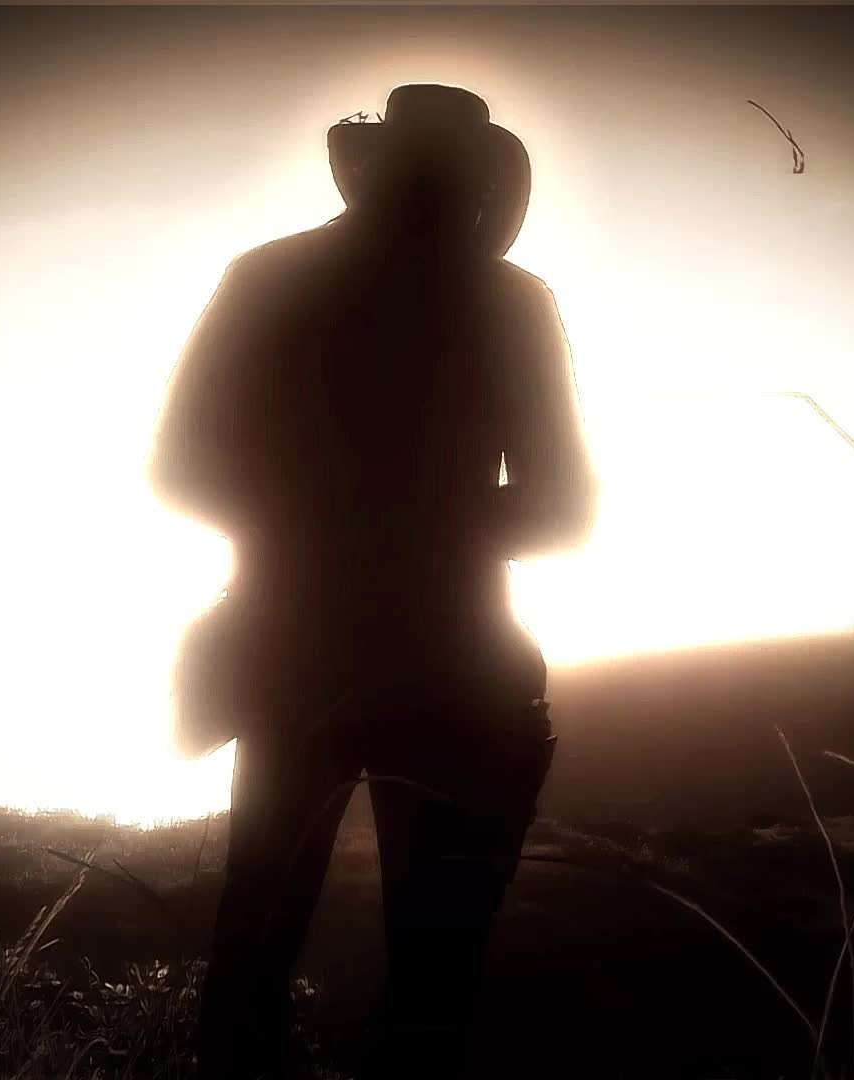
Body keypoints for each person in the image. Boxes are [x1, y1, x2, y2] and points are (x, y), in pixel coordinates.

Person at [148, 83, 596, 1080]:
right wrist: (419, 535)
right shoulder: (507, 301)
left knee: (259, 962)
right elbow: (566, 508)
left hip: (302, 652)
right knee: (426, 991)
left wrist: (323, 533)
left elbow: (178, 466)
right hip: (450, 667)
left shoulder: (271, 279)